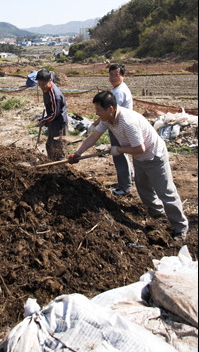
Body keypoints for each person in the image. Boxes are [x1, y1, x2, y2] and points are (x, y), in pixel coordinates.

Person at [68, 91, 189, 241]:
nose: (96, 113)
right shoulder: (106, 119)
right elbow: (94, 137)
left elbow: (140, 148)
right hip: (139, 157)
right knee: (144, 189)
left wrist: (118, 150)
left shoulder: (127, 122)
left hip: (154, 156)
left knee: (166, 192)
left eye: (99, 110)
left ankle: (180, 227)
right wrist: (78, 153)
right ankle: (158, 215)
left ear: (110, 109)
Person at [94, 63, 134, 195]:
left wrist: (96, 123)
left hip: (119, 126)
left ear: (123, 76)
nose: (113, 77)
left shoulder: (119, 92)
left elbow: (110, 112)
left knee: (119, 155)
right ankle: (129, 177)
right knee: (123, 154)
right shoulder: (118, 89)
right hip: (119, 125)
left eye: (116, 75)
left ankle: (124, 187)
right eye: (111, 75)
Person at [35, 68, 68, 161]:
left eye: (43, 84)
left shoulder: (54, 96)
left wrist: (43, 120)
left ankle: (60, 168)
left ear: (49, 81)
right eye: (39, 83)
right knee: (49, 146)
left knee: (58, 150)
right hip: (53, 122)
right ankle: (51, 164)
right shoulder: (47, 85)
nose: (41, 86)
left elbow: (54, 114)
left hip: (58, 124)